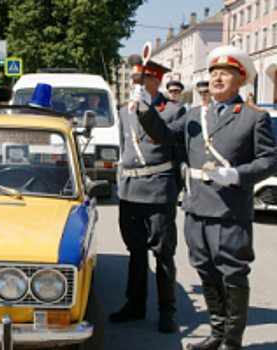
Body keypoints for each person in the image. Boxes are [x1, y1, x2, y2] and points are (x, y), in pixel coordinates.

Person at [135, 45, 277, 349]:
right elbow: (163, 135)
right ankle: (216, 333)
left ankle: (232, 341)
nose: (217, 77)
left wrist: (237, 175)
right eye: (213, 72)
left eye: (225, 72)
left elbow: (269, 161)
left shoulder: (254, 117)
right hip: (197, 206)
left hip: (230, 208)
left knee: (233, 273)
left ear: (242, 80)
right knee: (205, 268)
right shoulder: (195, 115)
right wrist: (145, 109)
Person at [109, 56, 186, 333]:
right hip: (130, 188)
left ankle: (168, 311)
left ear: (155, 81)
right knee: (135, 251)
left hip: (158, 188)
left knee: (163, 254)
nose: (133, 85)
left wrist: (173, 189)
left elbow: (177, 152)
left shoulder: (173, 111)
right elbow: (124, 147)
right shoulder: (124, 110)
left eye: (139, 80)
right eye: (131, 80)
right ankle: (135, 304)